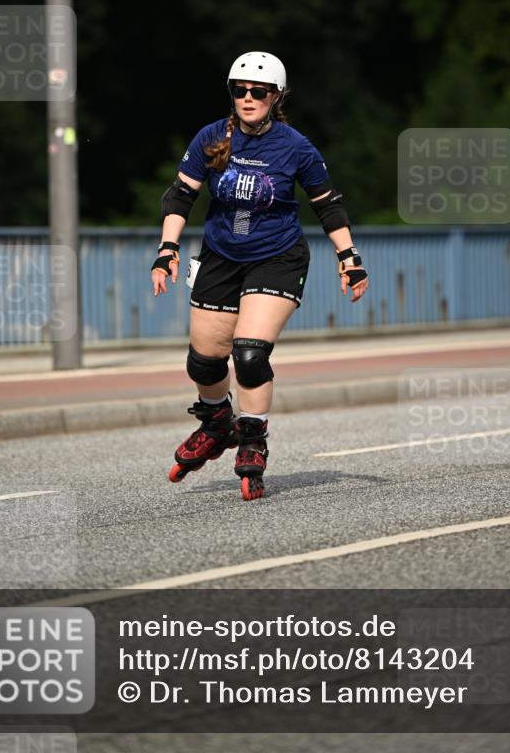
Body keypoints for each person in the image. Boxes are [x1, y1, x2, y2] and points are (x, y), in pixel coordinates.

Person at [151, 52, 368, 500]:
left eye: (259, 92)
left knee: (248, 354)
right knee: (204, 362)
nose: (248, 98)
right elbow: (179, 196)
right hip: (220, 257)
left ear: (276, 96)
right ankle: (216, 424)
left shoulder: (296, 146)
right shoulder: (212, 137)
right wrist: (167, 250)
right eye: (239, 90)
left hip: (279, 257)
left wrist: (349, 257)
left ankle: (252, 440)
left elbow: (328, 205)